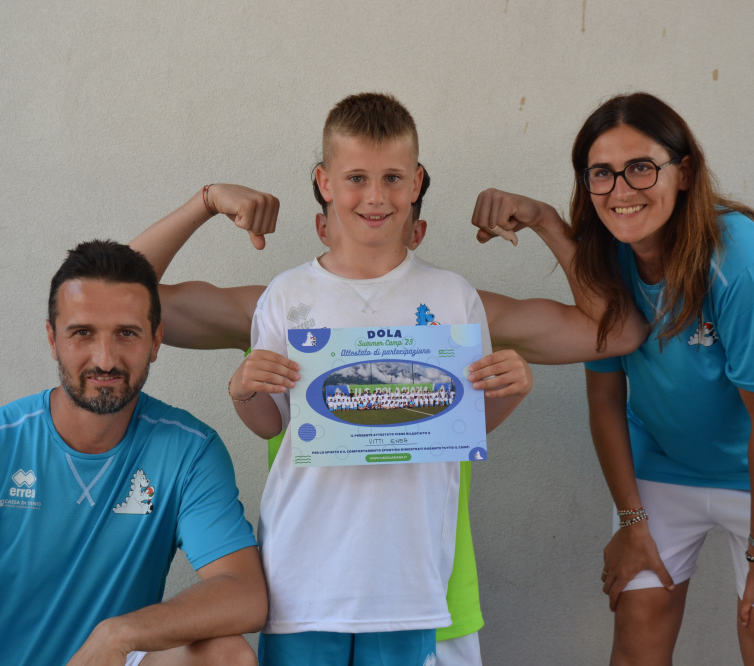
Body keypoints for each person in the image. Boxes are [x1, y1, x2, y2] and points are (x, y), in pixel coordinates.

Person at [130, 152, 646, 666]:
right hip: (311, 595)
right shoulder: (280, 307)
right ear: (322, 225)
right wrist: (205, 202)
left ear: (416, 232)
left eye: (389, 203)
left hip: (431, 596)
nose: (371, 219)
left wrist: (545, 220)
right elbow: (119, 294)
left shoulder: (456, 309)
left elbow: (618, 332)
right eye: (352, 202)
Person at [473, 92, 754, 666]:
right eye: (602, 173)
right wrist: (631, 520)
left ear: (684, 172)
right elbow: (605, 399)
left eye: (641, 167)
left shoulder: (745, 268)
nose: (621, 190)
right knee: (638, 621)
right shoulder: (608, 254)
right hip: (667, 464)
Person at [227, 92, 538, 666]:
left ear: (416, 183)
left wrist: (511, 391)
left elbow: (461, 425)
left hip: (409, 580)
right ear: (324, 183)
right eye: (356, 178)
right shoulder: (286, 296)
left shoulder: (452, 296)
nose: (375, 196)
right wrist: (243, 390)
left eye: (392, 178)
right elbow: (269, 423)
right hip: (302, 577)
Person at [0, 240, 267, 666]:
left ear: (156, 340)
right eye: (82, 333)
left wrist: (119, 633)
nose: (104, 360)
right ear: (53, 339)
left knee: (226, 656)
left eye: (126, 333)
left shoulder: (189, 450)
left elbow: (244, 593)